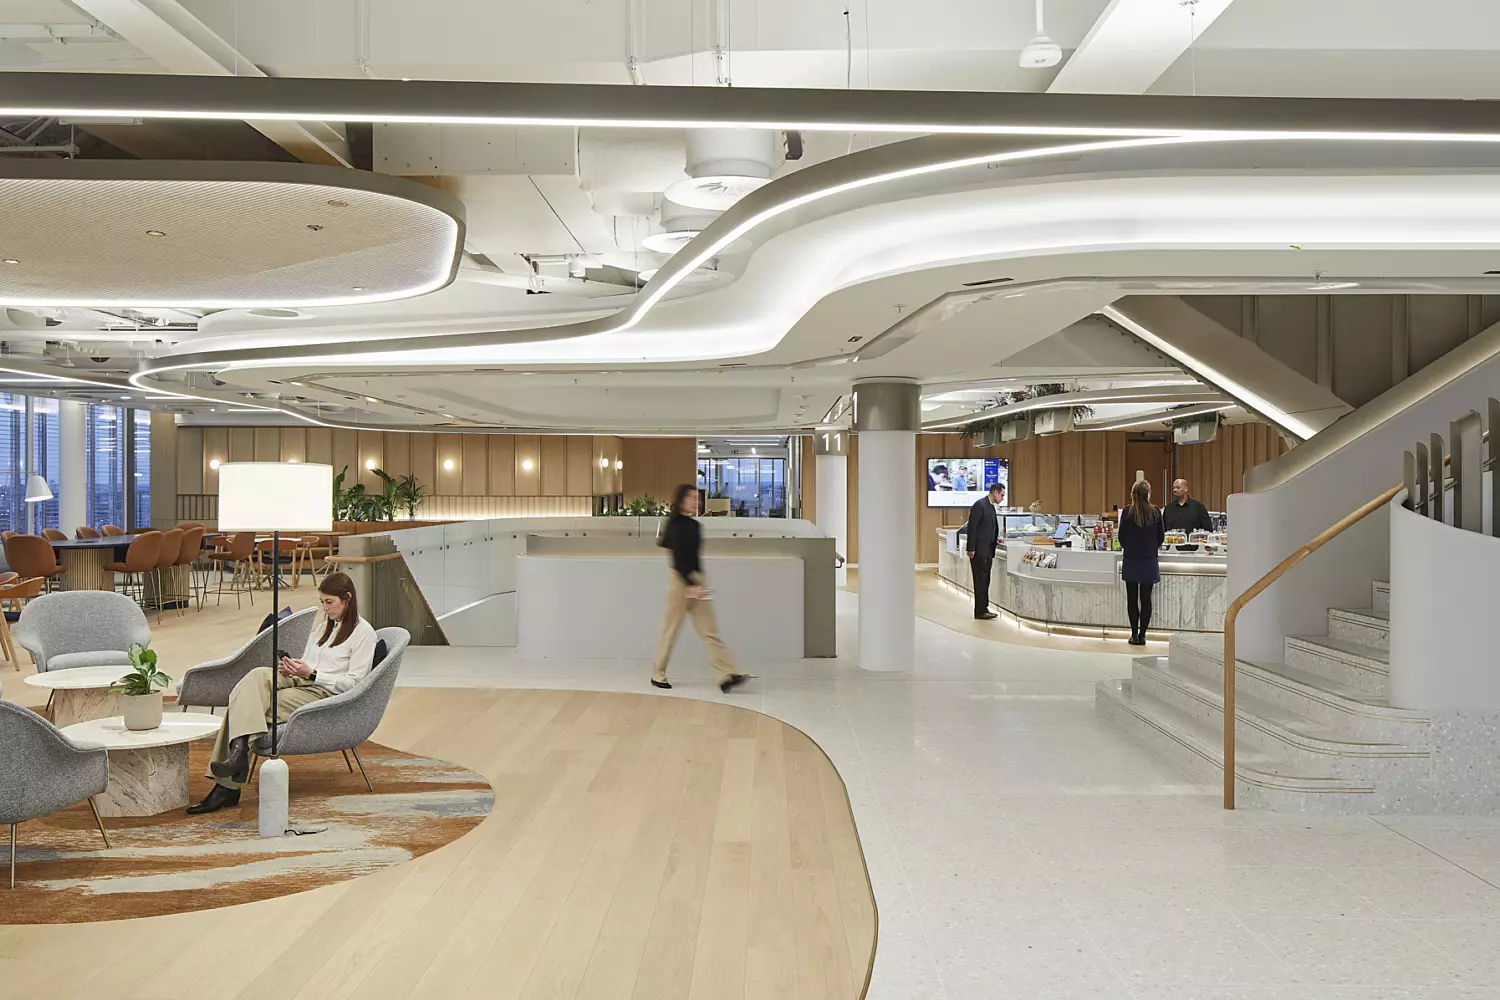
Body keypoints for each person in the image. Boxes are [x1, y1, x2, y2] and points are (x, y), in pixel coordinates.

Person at [187, 572, 378, 814]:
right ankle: (238, 757)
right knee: (256, 677)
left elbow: (354, 684)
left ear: (347, 598)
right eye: (322, 602)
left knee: (243, 704)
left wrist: (312, 674)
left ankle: (228, 784)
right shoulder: (322, 629)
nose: (325, 608)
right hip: (302, 682)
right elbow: (308, 664)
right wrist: (294, 668)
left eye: (329, 602)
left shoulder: (364, 634)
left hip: (324, 693)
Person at [651, 483, 749, 693]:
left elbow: (694, 558)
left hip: (696, 580)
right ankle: (657, 673)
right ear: (682, 501)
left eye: (698, 498)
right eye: (692, 498)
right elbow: (678, 560)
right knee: (671, 630)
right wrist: (690, 584)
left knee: (709, 631)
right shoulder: (676, 525)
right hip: (680, 582)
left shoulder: (695, 525)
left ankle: (727, 674)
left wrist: (699, 583)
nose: (697, 502)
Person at [1118, 480, 1165, 645]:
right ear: (1148, 494)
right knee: (1146, 599)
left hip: (1131, 559)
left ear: (1132, 494)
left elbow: (1121, 537)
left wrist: (1130, 548)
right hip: (1149, 560)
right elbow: (1161, 537)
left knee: (1132, 599)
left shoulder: (1127, 512)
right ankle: (1143, 635)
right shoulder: (1155, 512)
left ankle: (1134, 634)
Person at [965, 482, 1005, 620]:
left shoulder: (990, 507)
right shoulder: (979, 505)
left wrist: (996, 539)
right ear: (995, 492)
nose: (1002, 498)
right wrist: (971, 548)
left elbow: (990, 527)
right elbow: (972, 528)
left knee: (985, 580)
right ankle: (980, 611)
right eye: (1002, 494)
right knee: (980, 580)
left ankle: (984, 608)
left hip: (988, 550)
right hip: (979, 551)